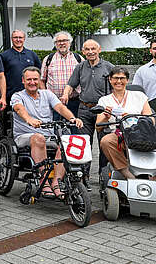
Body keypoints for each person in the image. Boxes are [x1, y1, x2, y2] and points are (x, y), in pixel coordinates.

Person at [11, 67, 83, 199]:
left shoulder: (47, 94)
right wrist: (29, 120)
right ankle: (44, 181)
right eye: (29, 79)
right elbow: (19, 108)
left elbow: (60, 107)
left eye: (35, 79)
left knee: (66, 142)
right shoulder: (17, 96)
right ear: (23, 81)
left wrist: (72, 118)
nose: (32, 82)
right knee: (39, 138)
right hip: (25, 135)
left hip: (48, 135)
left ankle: (56, 181)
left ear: (39, 80)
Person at [97, 66, 156, 180]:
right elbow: (98, 127)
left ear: (127, 80)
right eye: (115, 78)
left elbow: (151, 118)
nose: (119, 81)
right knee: (106, 141)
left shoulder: (139, 96)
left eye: (122, 78)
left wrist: (134, 118)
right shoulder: (104, 100)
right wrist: (105, 116)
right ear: (110, 80)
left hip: (142, 132)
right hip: (120, 135)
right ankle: (127, 174)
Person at [61, 39, 114, 184]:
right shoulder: (80, 67)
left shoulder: (109, 67)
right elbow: (71, 84)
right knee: (83, 143)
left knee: (104, 143)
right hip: (84, 109)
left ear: (99, 50)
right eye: (87, 49)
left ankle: (104, 175)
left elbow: (117, 87)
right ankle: (84, 176)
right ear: (83, 52)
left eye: (93, 49)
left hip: (103, 111)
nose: (90, 52)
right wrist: (66, 94)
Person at [40, 31, 83, 120]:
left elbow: (85, 78)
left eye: (65, 40)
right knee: (55, 128)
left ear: (69, 42)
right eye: (59, 41)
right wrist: (46, 96)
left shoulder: (78, 58)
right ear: (55, 44)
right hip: (54, 102)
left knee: (74, 127)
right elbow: (42, 80)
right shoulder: (48, 59)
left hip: (74, 101)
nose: (62, 43)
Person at [0, 30, 42, 103]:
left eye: (20, 37)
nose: (18, 40)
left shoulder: (32, 55)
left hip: (31, 95)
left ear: (24, 39)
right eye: (15, 37)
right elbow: (0, 76)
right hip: (11, 95)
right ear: (11, 39)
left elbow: (40, 75)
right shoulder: (4, 56)